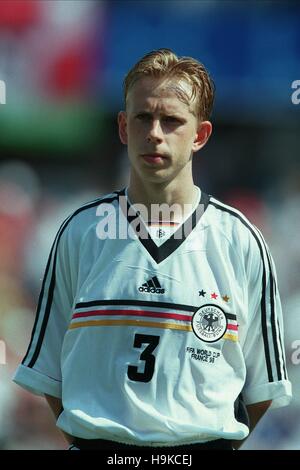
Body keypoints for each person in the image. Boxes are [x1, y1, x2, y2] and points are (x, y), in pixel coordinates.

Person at [13, 48, 292, 451]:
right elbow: (48, 373)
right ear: (124, 127)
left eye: (172, 120)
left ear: (200, 135)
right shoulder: (81, 232)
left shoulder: (240, 240)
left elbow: (263, 388)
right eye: (143, 117)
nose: (155, 133)